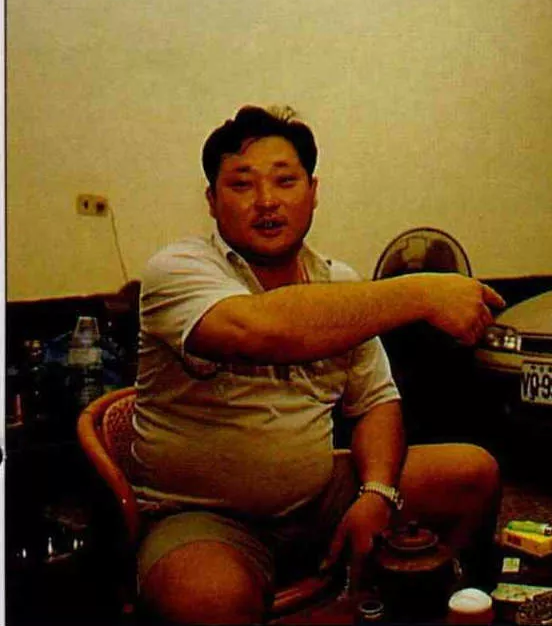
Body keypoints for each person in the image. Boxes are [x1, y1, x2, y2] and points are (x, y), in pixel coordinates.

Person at [131, 105, 506, 623]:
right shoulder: (177, 268)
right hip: (205, 515)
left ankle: (426, 607)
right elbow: (260, 329)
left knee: (472, 473)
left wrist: (377, 493)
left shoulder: (339, 283)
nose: (266, 201)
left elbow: (376, 402)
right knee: (208, 598)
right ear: (212, 202)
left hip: (317, 496)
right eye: (241, 184)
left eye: (285, 181)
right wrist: (421, 293)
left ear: (312, 192)